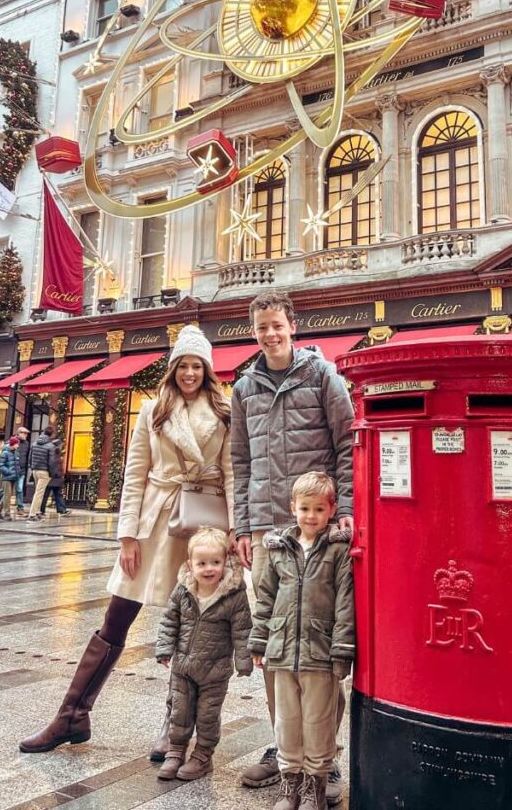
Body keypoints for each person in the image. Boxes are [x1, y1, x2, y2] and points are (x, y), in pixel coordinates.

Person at [19, 324, 233, 753]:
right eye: (182, 365)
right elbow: (134, 477)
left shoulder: (226, 414)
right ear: (172, 369)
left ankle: (174, 729)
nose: (189, 373)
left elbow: (231, 475)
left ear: (207, 370)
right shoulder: (151, 410)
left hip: (199, 530)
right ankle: (71, 716)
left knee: (191, 630)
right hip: (153, 524)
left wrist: (230, 536)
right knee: (115, 619)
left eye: (197, 366)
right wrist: (127, 537)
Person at [232, 289, 354, 805]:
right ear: (255, 332)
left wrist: (344, 506)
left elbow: (348, 441)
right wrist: (242, 523)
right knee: (274, 649)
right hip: (266, 529)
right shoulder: (243, 388)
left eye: (277, 325)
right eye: (262, 328)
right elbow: (239, 461)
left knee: (323, 643)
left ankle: (324, 759)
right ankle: (286, 753)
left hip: (317, 525)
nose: (271, 334)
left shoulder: (323, 376)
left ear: (292, 327)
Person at [249, 472, 355, 810]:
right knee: (287, 721)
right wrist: (258, 641)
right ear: (292, 507)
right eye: (305, 508)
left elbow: (345, 602)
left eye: (319, 509)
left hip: (319, 652)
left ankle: (314, 788)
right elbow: (265, 596)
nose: (311, 516)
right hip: (281, 651)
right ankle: (289, 784)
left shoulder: (338, 550)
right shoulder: (279, 549)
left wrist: (342, 652)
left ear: (332, 510)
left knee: (318, 723)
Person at [155, 527, 252, 782]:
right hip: (183, 667)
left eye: (216, 562)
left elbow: (242, 629)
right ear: (190, 564)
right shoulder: (183, 590)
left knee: (208, 715)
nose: (209, 569)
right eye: (202, 563)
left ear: (226, 562)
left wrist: (244, 660)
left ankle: (202, 756)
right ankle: (175, 751)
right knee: (180, 712)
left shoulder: (234, 594)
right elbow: (169, 621)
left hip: (215, 670)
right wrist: (165, 649)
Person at [0, 426, 29, 518]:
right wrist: (8, 471)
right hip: (9, 474)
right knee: (5, 492)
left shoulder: (25, 444)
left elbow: (20, 458)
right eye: (24, 433)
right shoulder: (8, 448)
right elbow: (1, 464)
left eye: (26, 433)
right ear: (19, 433)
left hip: (18, 471)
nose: (25, 435)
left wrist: (20, 469)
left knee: (17, 490)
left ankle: (18, 508)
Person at [27, 425, 57, 523]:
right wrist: (52, 473)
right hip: (44, 472)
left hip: (35, 470)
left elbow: (30, 458)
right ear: (51, 434)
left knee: (38, 492)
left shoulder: (34, 444)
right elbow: (52, 462)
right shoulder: (51, 446)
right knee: (39, 493)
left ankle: (37, 511)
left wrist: (32, 467)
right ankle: (32, 514)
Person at [40, 437, 70, 516]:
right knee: (48, 494)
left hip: (55, 477)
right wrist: (57, 474)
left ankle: (61, 510)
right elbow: (53, 465)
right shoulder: (54, 454)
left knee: (55, 494)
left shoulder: (54, 453)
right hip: (53, 477)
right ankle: (43, 510)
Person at [0, 437, 21, 521]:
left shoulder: (16, 452)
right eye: (17, 444)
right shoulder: (5, 453)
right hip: (7, 477)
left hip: (14, 476)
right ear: (13, 444)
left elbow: (16, 464)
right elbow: (0, 465)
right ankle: (6, 514)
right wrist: (9, 472)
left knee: (8, 495)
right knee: (7, 495)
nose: (18, 445)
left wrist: (18, 472)